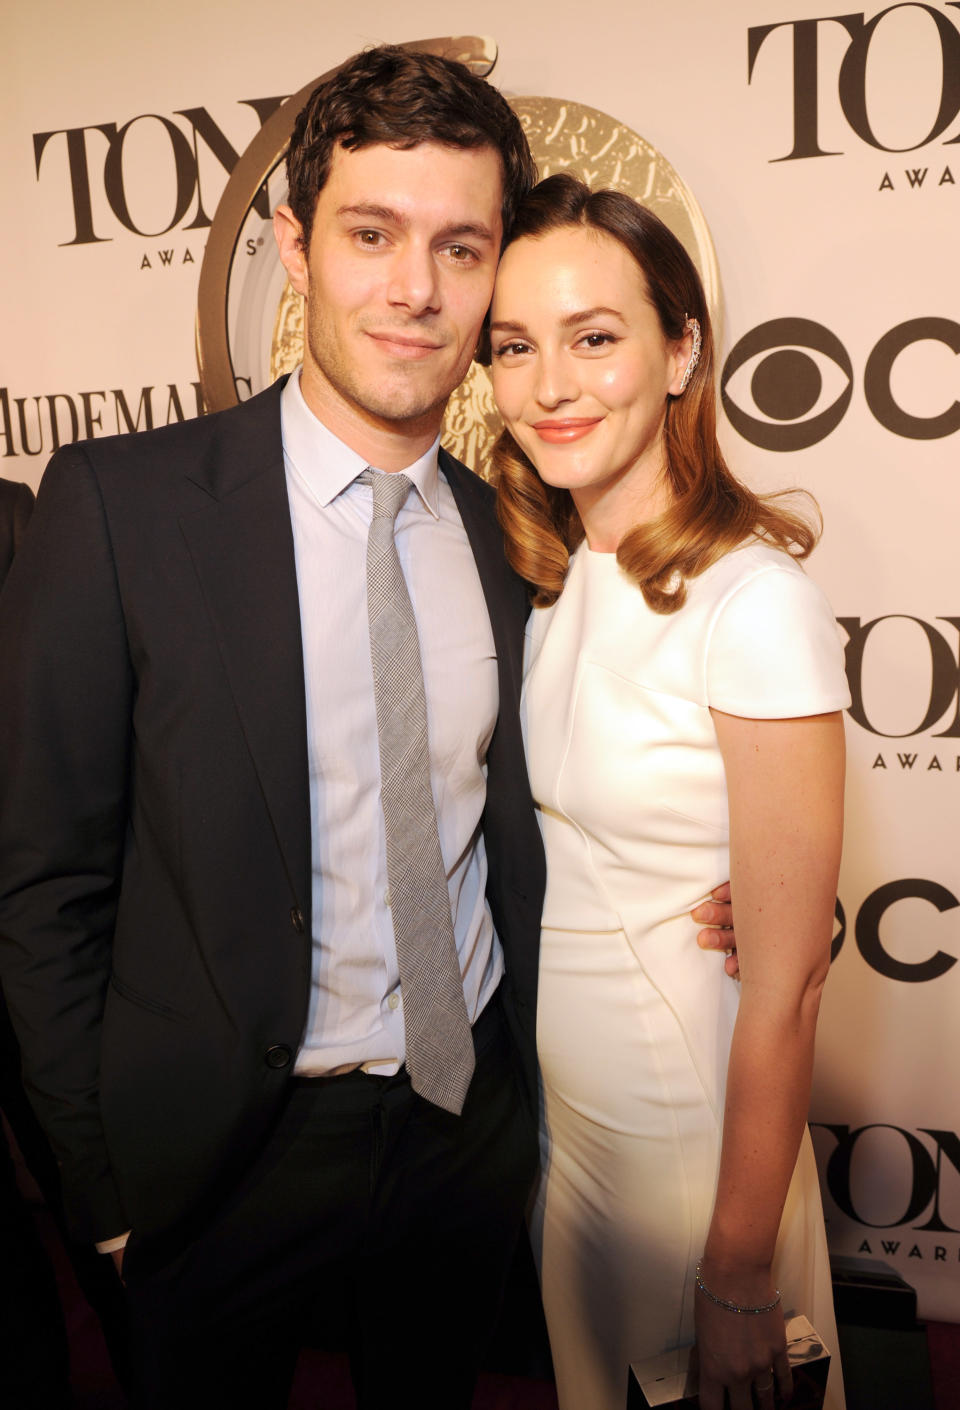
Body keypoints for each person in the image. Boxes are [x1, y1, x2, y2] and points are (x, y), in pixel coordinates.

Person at [0, 48, 735, 1409]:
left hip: (466, 1137)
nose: (415, 289)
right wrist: (98, 1187)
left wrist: (745, 896)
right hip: (214, 1161)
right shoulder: (117, 509)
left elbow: (588, 795)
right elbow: (44, 884)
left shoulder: (525, 534)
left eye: (462, 246)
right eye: (371, 234)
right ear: (294, 245)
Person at [489, 173, 849, 1410]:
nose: (551, 385)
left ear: (682, 349)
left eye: (596, 338)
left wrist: (741, 1268)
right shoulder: (551, 578)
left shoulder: (754, 605)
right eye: (514, 346)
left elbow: (793, 973)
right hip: (574, 1130)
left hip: (692, 1139)